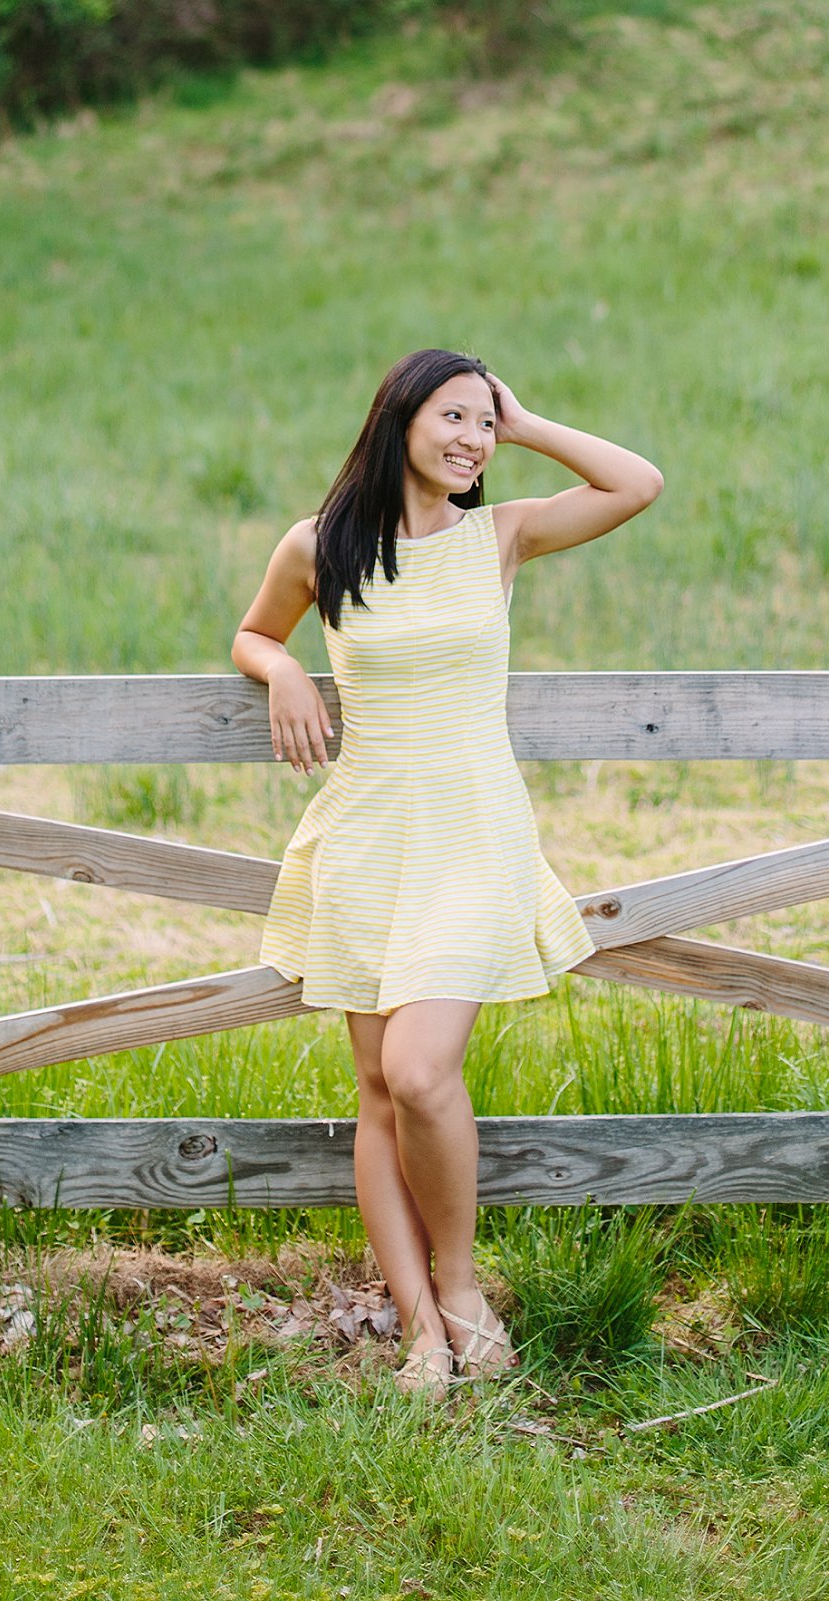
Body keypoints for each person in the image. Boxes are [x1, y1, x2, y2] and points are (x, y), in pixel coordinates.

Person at [233, 348, 663, 1396]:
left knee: (422, 1071)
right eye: (453, 416)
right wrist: (284, 665)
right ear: (398, 418)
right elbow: (252, 632)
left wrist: (529, 420)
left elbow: (635, 483)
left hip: (472, 829)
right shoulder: (321, 544)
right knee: (379, 1090)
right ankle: (420, 1328)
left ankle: (461, 1286)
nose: (472, 438)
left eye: (484, 420)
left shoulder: (500, 534)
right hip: (369, 831)